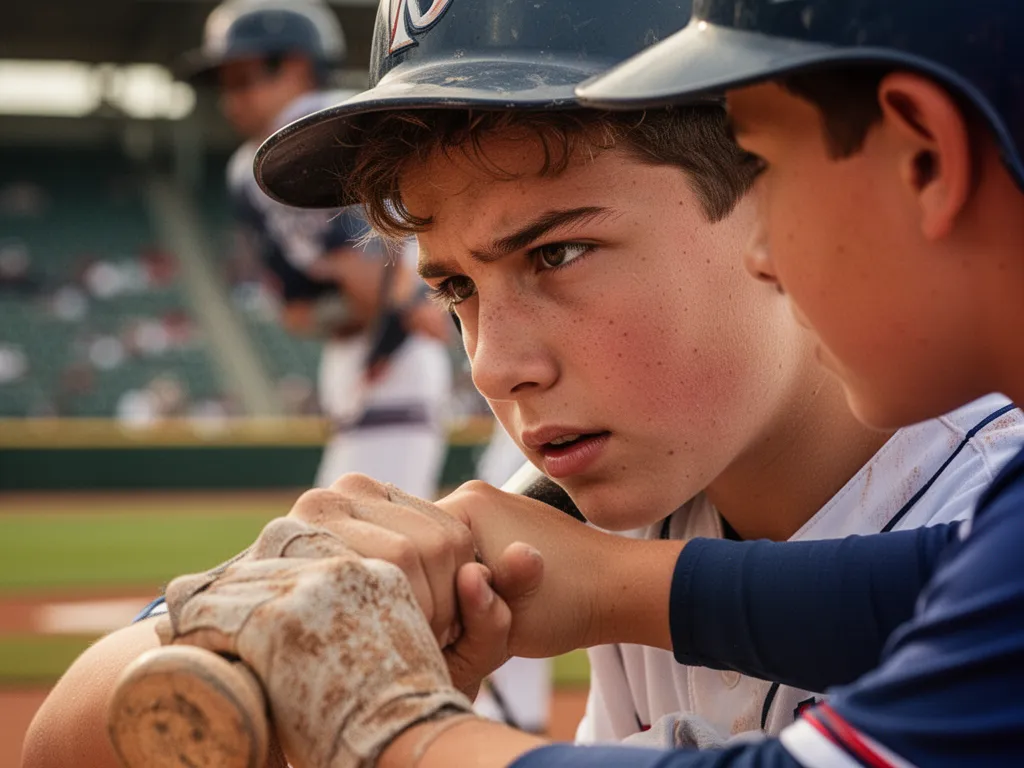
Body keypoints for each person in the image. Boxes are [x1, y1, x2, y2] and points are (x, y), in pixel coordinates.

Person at [21, 1, 1024, 767]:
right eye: (453, 288)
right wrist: (250, 605)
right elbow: (65, 739)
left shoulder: (985, 493)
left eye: (557, 253)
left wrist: (392, 726)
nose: (493, 366)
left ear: (760, 178)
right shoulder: (632, 497)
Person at [194, 0, 453, 494]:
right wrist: (352, 289)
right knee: (351, 520)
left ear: (295, 67)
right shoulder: (248, 168)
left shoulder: (333, 125)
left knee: (359, 525)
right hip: (360, 352)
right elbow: (297, 311)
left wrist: (375, 293)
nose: (230, 99)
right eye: (225, 85)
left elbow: (380, 275)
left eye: (243, 79)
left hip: (395, 349)